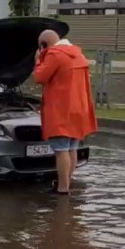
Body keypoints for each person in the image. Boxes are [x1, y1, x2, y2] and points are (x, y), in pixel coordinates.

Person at [33, 29, 97, 195]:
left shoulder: (55, 55)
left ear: (43, 45)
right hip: (78, 110)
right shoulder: (77, 54)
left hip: (61, 110)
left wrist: (38, 60)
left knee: (61, 150)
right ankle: (65, 184)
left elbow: (39, 77)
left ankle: (62, 189)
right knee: (71, 149)